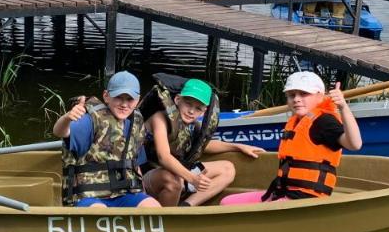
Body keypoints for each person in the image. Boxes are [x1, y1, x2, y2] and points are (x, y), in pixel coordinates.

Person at [220, 71, 363, 205]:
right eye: (292, 95)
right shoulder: (297, 121)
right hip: (283, 191)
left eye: (304, 94)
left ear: (320, 96)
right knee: (227, 202)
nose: (297, 99)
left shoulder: (324, 121)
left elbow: (354, 144)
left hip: (305, 198)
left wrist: (343, 107)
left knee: (242, 212)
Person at [140, 77, 264, 207]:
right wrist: (193, 179)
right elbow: (163, 157)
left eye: (198, 108)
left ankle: (186, 207)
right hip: (150, 176)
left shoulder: (193, 125)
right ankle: (167, 219)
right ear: (177, 100)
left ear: (203, 111)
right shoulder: (160, 118)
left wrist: (237, 146)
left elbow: (204, 145)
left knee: (228, 169)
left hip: (181, 174)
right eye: (188, 103)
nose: (191, 111)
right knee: (173, 179)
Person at [52, 70, 160, 208]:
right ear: (106, 96)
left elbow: (134, 165)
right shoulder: (90, 120)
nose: (124, 104)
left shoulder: (137, 122)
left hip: (124, 194)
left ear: (138, 100)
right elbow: (60, 131)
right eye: (118, 97)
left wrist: (143, 193)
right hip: (89, 196)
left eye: (129, 99)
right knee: (100, 212)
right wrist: (67, 118)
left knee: (153, 206)